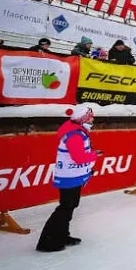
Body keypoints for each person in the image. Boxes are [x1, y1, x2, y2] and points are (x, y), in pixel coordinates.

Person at [36, 105, 99, 252]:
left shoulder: (78, 132)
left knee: (69, 207)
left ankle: (62, 235)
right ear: (82, 118)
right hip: (69, 177)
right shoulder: (75, 135)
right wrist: (95, 155)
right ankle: (48, 242)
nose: (92, 119)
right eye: (90, 117)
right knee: (65, 208)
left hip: (73, 177)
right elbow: (78, 157)